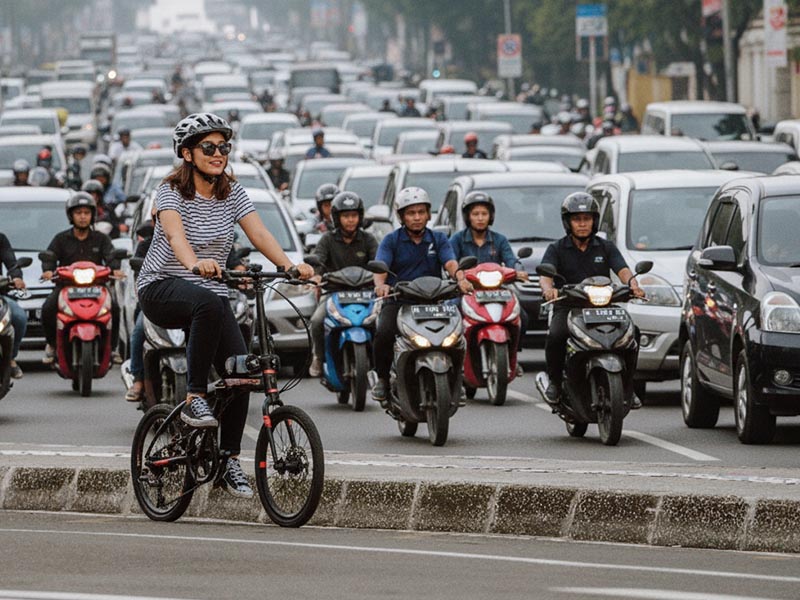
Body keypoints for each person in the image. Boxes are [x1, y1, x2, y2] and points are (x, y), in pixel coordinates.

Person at [135, 112, 313, 498]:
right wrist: (194, 263)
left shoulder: (233, 192)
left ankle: (228, 461)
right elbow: (175, 235)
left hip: (210, 296)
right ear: (187, 154)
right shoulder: (169, 192)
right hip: (161, 287)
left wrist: (289, 266)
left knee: (243, 371)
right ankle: (194, 398)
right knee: (208, 302)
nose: (219, 154)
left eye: (224, 147)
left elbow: (260, 232)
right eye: (209, 147)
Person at [539, 192, 644, 406]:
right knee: (556, 336)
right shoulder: (556, 248)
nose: (582, 224)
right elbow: (545, 276)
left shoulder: (605, 247)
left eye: (586, 219)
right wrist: (549, 290)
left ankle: (627, 387)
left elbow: (622, 269)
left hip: (604, 306)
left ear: (594, 221)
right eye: (577, 219)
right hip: (569, 307)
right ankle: (556, 383)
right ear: (568, 223)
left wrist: (633, 285)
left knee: (633, 334)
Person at [370, 187, 473, 405]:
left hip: (434, 303)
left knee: (458, 336)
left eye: (421, 212)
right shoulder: (391, 240)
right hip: (400, 302)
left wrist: (461, 278)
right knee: (383, 333)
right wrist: (381, 286)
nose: (416, 217)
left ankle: (457, 380)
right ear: (401, 217)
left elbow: (451, 262)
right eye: (411, 213)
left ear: (428, 214)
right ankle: (382, 379)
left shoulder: (438, 239)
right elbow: (381, 269)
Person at [40, 192, 123, 365]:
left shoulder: (101, 238)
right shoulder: (61, 238)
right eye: (79, 213)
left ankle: (113, 348)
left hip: (96, 286)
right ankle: (51, 345)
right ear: (71, 215)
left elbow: (111, 256)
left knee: (114, 308)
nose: (83, 217)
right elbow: (50, 256)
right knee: (48, 308)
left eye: (87, 213)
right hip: (66, 286)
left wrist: (115, 269)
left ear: (93, 215)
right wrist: (48, 270)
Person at [449, 191, 529, 369]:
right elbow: (451, 263)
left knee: (522, 316)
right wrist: (459, 277)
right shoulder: (457, 240)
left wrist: (517, 270)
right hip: (466, 292)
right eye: (475, 214)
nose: (480, 218)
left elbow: (510, 260)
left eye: (484, 214)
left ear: (490, 216)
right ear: (467, 217)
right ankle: (455, 360)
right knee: (451, 314)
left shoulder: (499, 240)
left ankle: (512, 355)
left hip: (496, 292)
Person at [308, 192, 378, 377]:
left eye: (354, 215)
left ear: (360, 216)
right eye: (346, 216)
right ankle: (318, 356)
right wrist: (315, 276)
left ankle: (384, 365)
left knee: (383, 321)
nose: (350, 220)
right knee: (316, 321)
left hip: (366, 294)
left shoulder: (369, 239)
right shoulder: (327, 240)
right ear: (337, 218)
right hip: (333, 293)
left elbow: (379, 264)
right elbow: (318, 262)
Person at [0, 233, 28, 379]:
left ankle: (10, 358)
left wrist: (16, 277)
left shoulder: (1, 239)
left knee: (18, 316)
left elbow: (12, 264)